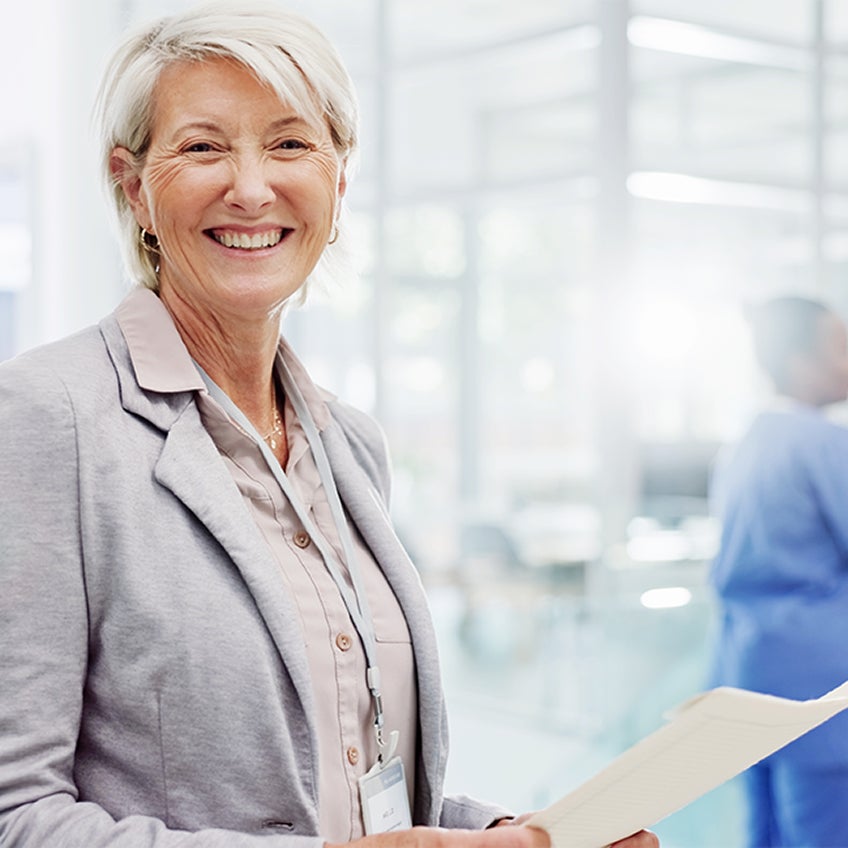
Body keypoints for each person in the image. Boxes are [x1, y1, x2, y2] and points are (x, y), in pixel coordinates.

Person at [0, 3, 659, 847]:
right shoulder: (45, 420)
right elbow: (15, 813)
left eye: (289, 144)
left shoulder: (349, 444)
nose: (250, 186)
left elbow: (354, 782)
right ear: (134, 188)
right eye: (203, 147)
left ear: (337, 185)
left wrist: (511, 833)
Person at [709, 296, 848, 847]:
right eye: (839, 344)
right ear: (800, 362)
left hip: (749, 678)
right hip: (821, 691)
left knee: (766, 834)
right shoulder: (823, 442)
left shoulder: (747, 441)